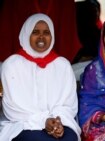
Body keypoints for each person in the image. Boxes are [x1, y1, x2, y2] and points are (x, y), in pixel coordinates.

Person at [0, 13, 81, 141]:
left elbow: (68, 104)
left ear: (52, 36)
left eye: (46, 32)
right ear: (26, 34)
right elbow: (13, 108)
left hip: (60, 122)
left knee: (70, 138)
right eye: (35, 32)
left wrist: (57, 122)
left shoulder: (62, 65)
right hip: (24, 125)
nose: (41, 37)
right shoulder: (12, 65)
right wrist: (43, 121)